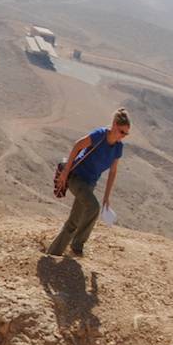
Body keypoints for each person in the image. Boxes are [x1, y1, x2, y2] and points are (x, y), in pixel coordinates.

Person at [48, 109, 130, 258]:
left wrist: (107, 197)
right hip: (76, 177)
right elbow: (77, 145)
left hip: (90, 183)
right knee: (93, 208)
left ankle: (53, 253)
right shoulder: (99, 135)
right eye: (121, 132)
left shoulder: (118, 147)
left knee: (74, 221)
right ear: (114, 125)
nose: (123, 136)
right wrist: (65, 173)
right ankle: (77, 246)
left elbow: (113, 172)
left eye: (126, 134)